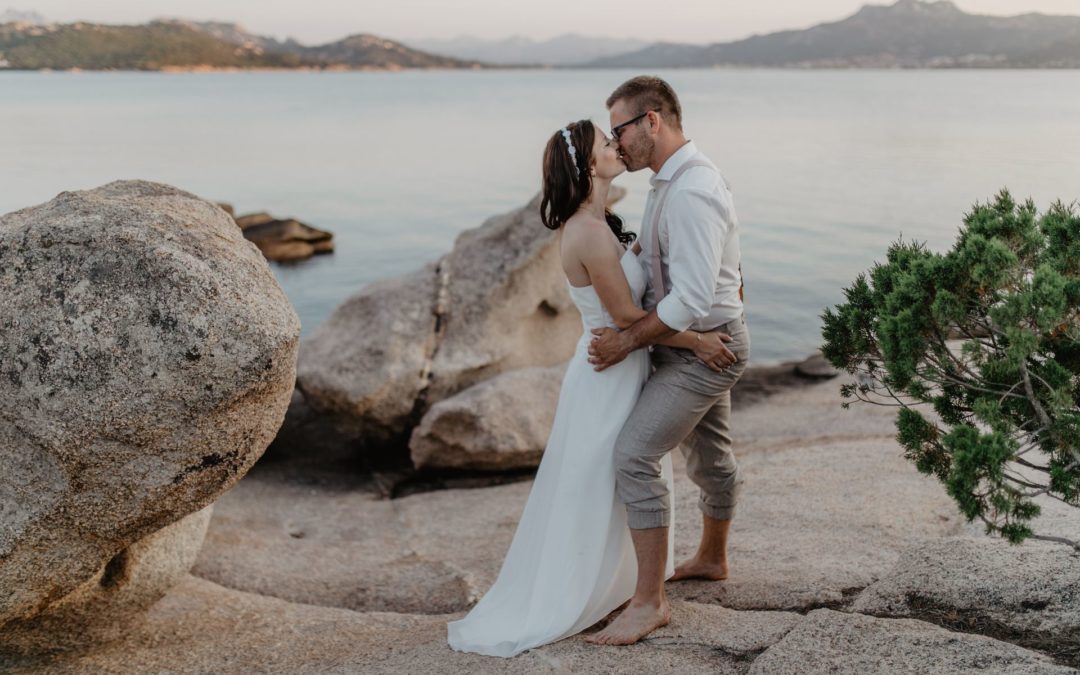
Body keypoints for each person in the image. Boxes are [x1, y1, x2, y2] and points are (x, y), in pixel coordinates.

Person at [446, 119, 733, 657]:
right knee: (600, 476)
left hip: (622, 366)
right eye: (606, 143)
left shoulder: (604, 222)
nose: (616, 146)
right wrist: (698, 341)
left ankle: (622, 584)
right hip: (609, 372)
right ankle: (589, 590)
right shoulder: (587, 231)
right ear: (587, 165)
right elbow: (626, 316)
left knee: (608, 476)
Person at [585, 76, 750, 647]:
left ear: (653, 121)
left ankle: (650, 602)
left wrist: (628, 341)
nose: (617, 141)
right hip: (697, 340)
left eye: (621, 129)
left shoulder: (692, 188)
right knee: (711, 455)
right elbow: (699, 265)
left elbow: (693, 298)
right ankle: (712, 558)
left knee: (634, 455)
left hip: (706, 347)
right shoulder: (669, 183)